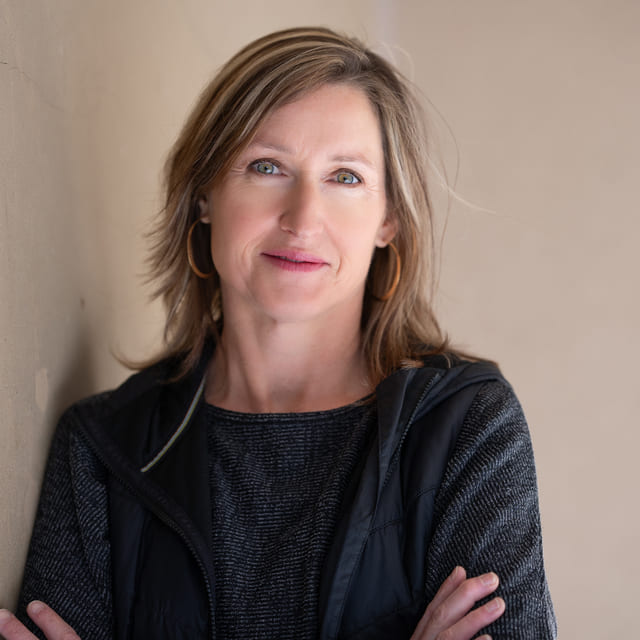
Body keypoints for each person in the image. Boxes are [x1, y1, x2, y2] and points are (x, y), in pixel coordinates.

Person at [0, 27, 556, 640]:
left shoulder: (466, 428)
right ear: (204, 194)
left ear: (389, 218)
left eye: (345, 177)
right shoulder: (105, 449)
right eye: (267, 166)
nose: (303, 218)